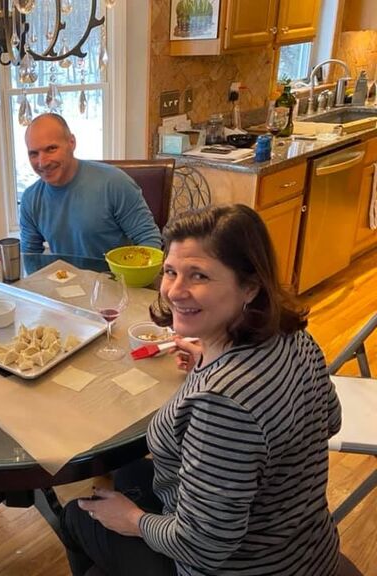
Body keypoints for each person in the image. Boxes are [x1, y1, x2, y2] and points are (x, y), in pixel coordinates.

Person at [61, 204, 342, 576]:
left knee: (76, 515)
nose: (175, 291)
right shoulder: (293, 336)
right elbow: (330, 420)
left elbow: (203, 545)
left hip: (242, 566)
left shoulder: (222, 402)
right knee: (129, 473)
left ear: (250, 285)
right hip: (306, 545)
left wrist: (132, 520)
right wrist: (209, 360)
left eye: (199, 276)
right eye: (170, 272)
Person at [19, 113, 161, 258]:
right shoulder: (30, 199)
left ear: (72, 142)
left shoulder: (114, 183)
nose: (43, 162)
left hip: (116, 278)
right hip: (64, 279)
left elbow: (149, 239)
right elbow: (30, 257)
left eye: (51, 149)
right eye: (34, 154)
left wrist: (134, 278)